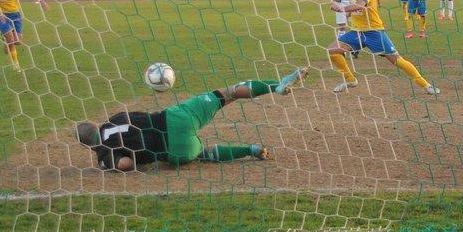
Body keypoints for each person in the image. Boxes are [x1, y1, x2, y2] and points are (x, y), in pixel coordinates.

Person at [77, 67, 308, 170]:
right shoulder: (115, 118)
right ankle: (276, 86)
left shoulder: (103, 154)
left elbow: (125, 164)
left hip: (174, 151)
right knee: (226, 94)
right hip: (175, 118)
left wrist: (116, 163)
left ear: (88, 146)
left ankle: (251, 149)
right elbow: (141, 117)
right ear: (96, 126)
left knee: (201, 155)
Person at [327, 0, 439, 95]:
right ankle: (350, 80)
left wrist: (341, 8)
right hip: (357, 31)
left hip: (373, 31)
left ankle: (425, 85)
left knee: (397, 60)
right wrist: (347, 13)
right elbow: (355, 8)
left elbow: (360, 5)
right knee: (333, 50)